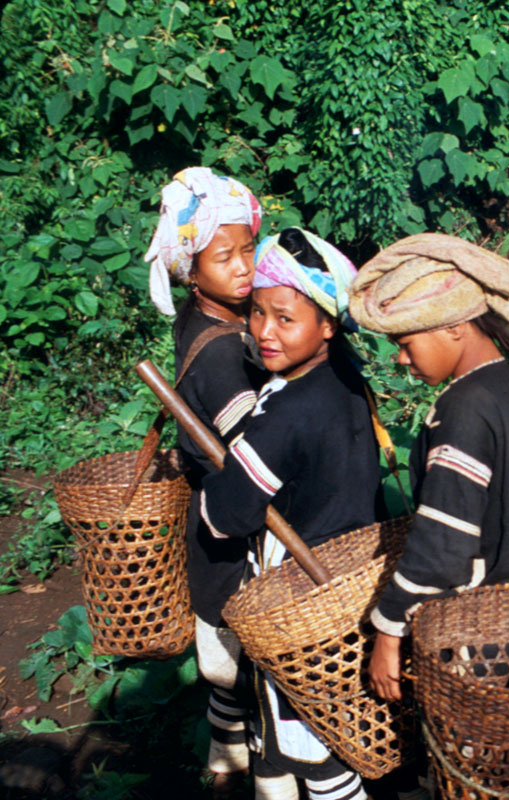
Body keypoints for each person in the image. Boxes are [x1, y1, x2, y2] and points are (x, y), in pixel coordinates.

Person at [347, 233, 509, 704]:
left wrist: (388, 630)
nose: (401, 359)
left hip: (480, 637)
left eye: (406, 342)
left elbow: (444, 546)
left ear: (454, 327)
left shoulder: (463, 408)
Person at [199, 228, 379, 800]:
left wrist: (208, 485)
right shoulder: (347, 382)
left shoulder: (285, 414)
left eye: (285, 318)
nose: (264, 331)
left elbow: (227, 515)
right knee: (339, 719)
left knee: (315, 750)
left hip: (298, 597)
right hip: (353, 578)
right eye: (257, 313)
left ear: (327, 324)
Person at [143, 166, 267, 794]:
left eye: (249, 249)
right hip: (234, 521)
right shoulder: (222, 353)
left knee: (229, 665)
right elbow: (253, 452)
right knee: (246, 655)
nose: (244, 267)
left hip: (214, 516)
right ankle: (254, 767)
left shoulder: (206, 319)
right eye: (224, 257)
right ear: (191, 271)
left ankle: (223, 760)